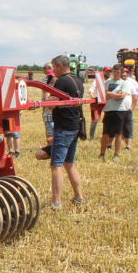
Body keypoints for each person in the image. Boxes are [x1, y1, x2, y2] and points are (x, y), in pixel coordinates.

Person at [46, 55, 85, 208]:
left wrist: (49, 95)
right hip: (75, 125)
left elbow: (51, 105)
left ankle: (56, 202)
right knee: (70, 163)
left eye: (54, 67)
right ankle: (79, 197)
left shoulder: (61, 81)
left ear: (60, 65)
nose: (53, 70)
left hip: (63, 127)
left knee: (56, 165)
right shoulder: (78, 80)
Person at [99, 67, 131, 159]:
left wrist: (110, 94)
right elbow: (103, 96)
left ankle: (116, 154)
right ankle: (102, 153)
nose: (116, 73)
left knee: (118, 133)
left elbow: (122, 96)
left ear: (121, 73)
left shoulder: (124, 83)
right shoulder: (107, 82)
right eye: (115, 71)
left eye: (118, 71)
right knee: (105, 133)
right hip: (108, 109)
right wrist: (115, 94)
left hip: (120, 110)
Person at [123, 66, 138, 151]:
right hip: (116, 109)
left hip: (127, 108)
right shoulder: (116, 81)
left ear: (128, 73)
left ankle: (128, 145)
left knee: (128, 126)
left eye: (125, 72)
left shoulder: (131, 82)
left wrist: (132, 106)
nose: (124, 74)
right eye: (122, 72)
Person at [88, 67, 110, 140]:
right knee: (95, 119)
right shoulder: (98, 80)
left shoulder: (110, 81)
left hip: (108, 101)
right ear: (103, 72)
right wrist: (92, 95)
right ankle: (91, 136)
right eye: (106, 71)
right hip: (98, 101)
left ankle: (107, 135)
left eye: (109, 72)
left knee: (108, 119)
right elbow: (91, 89)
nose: (108, 73)